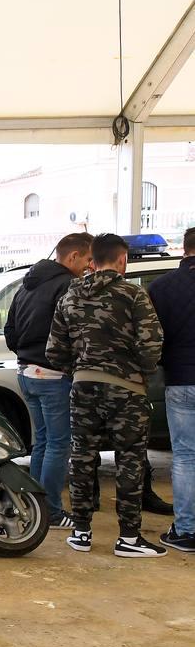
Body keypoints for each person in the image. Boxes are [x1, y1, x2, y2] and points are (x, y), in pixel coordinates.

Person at [47, 233, 166, 557]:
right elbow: (151, 344)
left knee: (83, 458)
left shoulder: (69, 297)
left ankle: (82, 532)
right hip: (126, 390)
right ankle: (128, 538)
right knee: (130, 461)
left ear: (93, 259)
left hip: (83, 388)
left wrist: (82, 369)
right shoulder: (132, 294)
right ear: (122, 260)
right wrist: (140, 370)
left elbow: (54, 351)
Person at [3, 232, 93, 529]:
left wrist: (26, 354)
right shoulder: (68, 285)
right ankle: (52, 511)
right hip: (53, 375)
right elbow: (75, 330)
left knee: (42, 441)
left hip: (26, 373)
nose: (90, 266)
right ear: (72, 257)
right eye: (88, 259)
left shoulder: (26, 286)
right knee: (58, 444)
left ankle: (34, 504)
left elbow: (10, 328)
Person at [148, 226, 195, 553]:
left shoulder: (162, 287)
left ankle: (186, 531)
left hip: (181, 380)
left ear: (184, 249)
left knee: (186, 458)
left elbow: (152, 339)